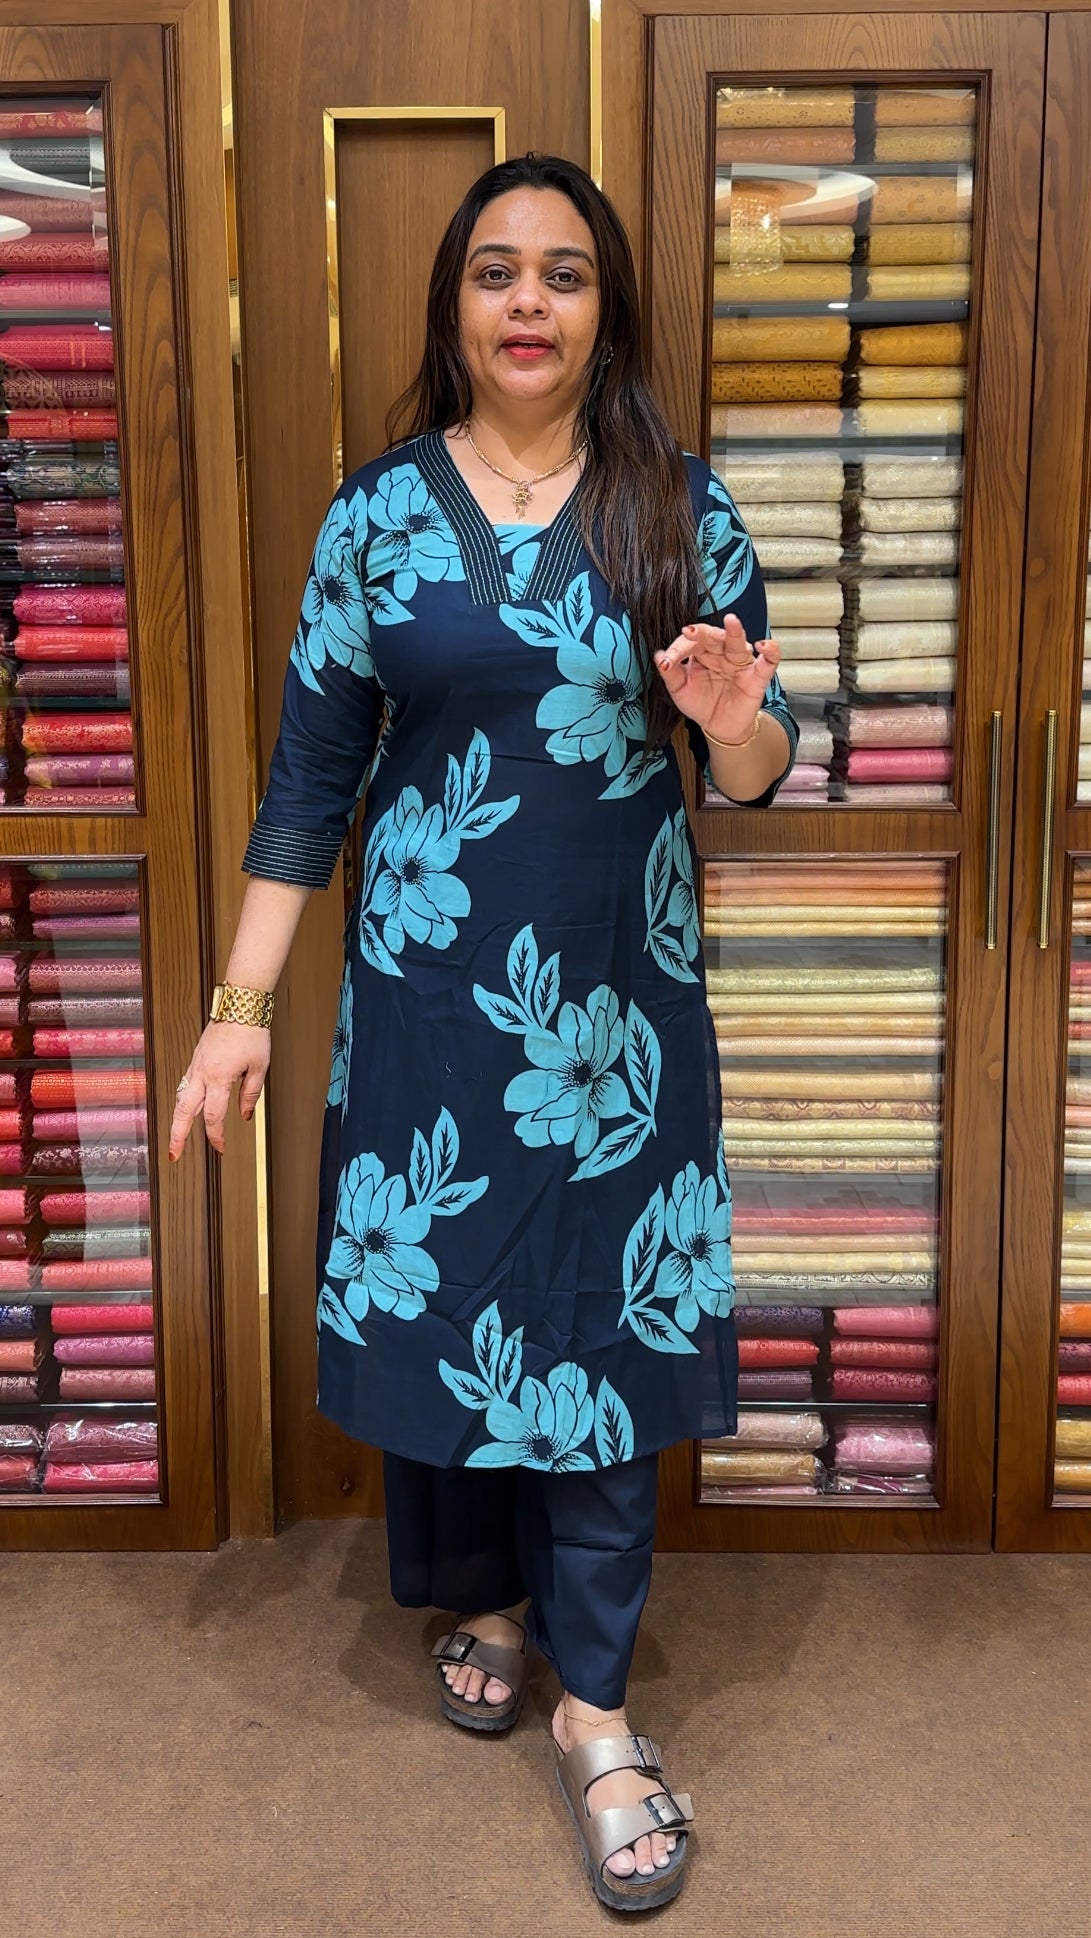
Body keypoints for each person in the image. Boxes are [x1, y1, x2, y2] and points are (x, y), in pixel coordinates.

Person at [170, 152, 797, 1913]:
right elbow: (311, 781)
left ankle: (598, 1711)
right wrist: (238, 1010)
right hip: (431, 1010)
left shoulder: (680, 507)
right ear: (454, 302)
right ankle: (491, 1598)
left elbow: (758, 768)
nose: (530, 300)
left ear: (606, 310)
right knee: (451, 1305)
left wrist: (733, 723)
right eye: (497, 270)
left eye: (565, 273)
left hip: (614, 1022)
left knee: (600, 1338)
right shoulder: (374, 517)